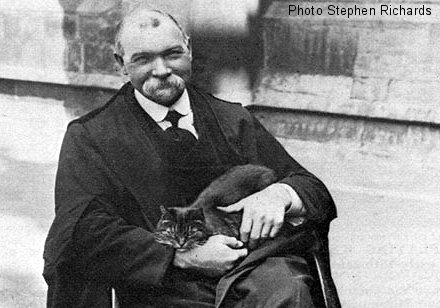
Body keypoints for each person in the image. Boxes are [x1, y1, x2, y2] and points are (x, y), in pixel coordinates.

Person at [43, 7, 337, 308]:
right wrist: (180, 257)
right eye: (143, 59)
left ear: (189, 49)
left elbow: (311, 189)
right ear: (121, 64)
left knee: (289, 292)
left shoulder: (232, 120)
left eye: (172, 54)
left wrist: (280, 195)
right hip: (162, 284)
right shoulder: (93, 136)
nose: (161, 70)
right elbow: (82, 231)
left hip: (251, 273)